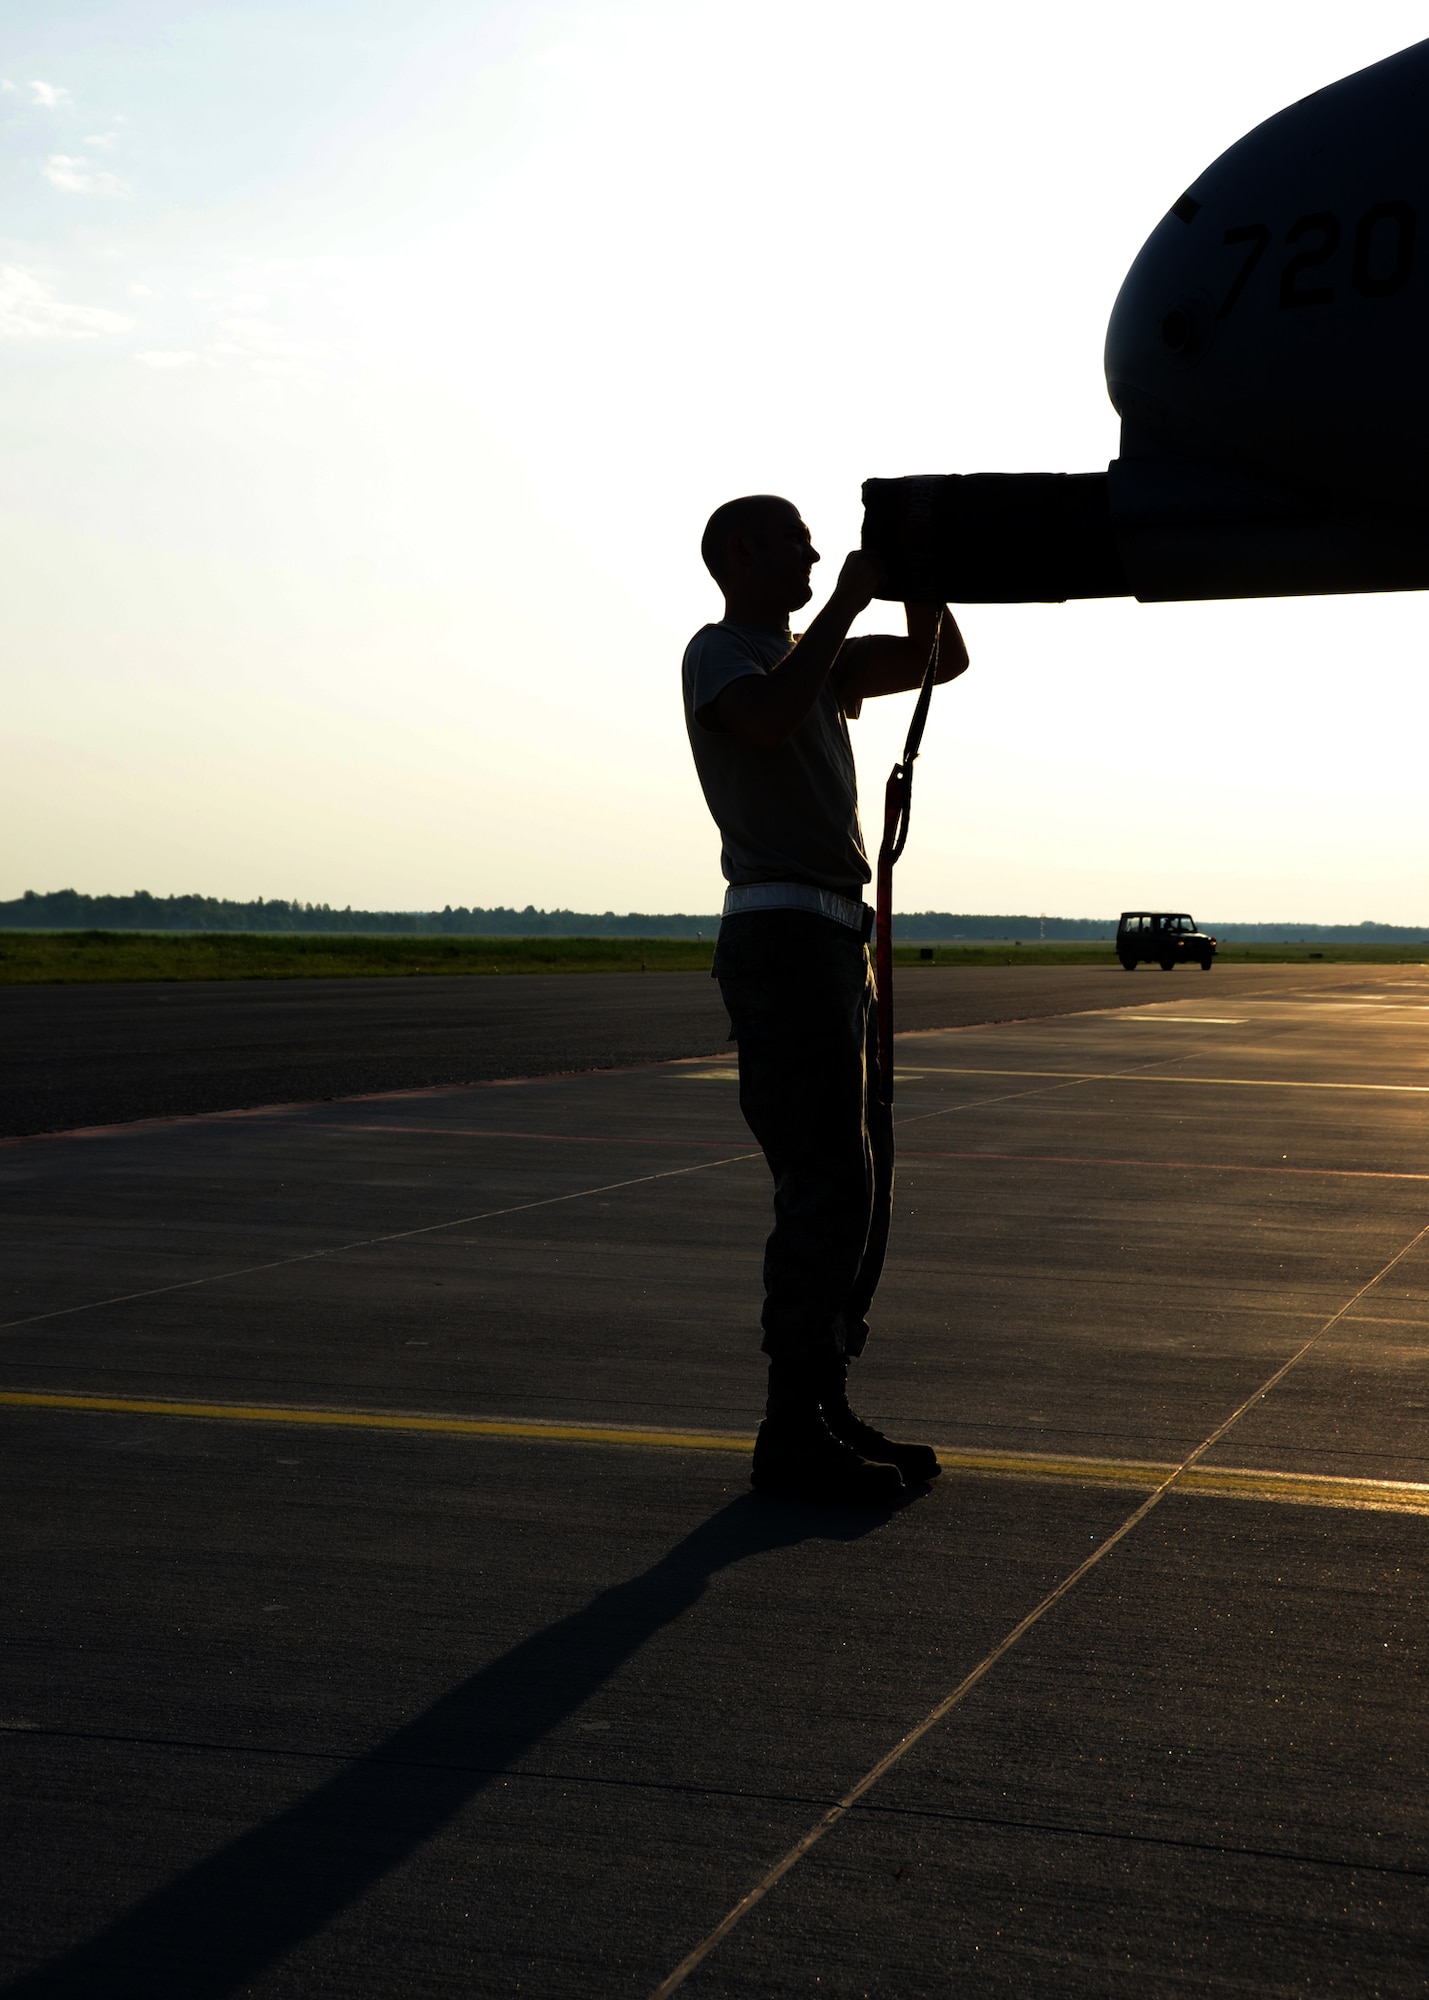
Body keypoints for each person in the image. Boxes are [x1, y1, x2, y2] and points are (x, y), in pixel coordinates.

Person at [683, 494, 969, 1505]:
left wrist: (920, 571)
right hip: (779, 938)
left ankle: (819, 1400)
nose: (813, 550)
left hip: (830, 939)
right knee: (821, 1182)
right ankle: (789, 1429)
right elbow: (763, 720)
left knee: (848, 1184)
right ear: (738, 554)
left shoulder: (818, 658)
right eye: (794, 538)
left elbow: (942, 661)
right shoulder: (722, 653)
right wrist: (848, 604)